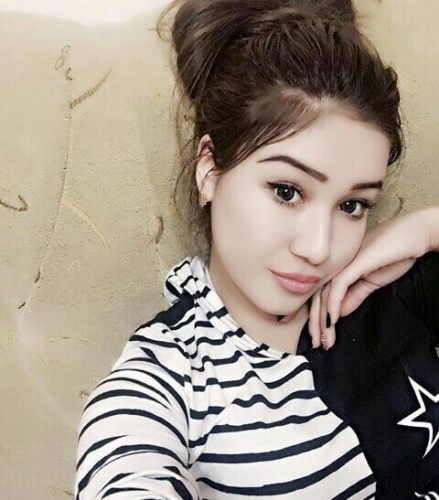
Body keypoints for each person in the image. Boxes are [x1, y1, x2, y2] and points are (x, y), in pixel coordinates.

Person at [74, 0, 439, 498]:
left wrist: (425, 229)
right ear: (209, 169)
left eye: (352, 205)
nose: (319, 248)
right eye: (287, 191)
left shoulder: (392, 287)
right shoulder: (166, 382)